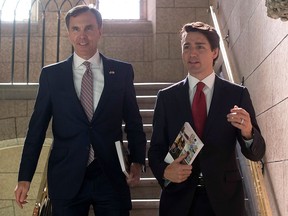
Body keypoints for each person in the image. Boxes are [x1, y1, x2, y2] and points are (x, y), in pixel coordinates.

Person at [14, 5, 146, 216]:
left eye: (88, 28)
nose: (82, 35)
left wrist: (137, 162)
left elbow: (133, 122)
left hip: (110, 175)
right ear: (68, 34)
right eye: (75, 29)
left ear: (100, 30)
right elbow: (36, 130)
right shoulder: (52, 76)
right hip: (66, 176)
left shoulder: (121, 72)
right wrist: (25, 177)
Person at [148, 21, 266, 216]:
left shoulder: (236, 95)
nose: (192, 53)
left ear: (215, 52)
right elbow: (155, 150)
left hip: (225, 201)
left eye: (200, 47)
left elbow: (257, 153)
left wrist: (248, 133)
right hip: (179, 200)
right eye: (187, 47)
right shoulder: (167, 98)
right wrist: (164, 171)